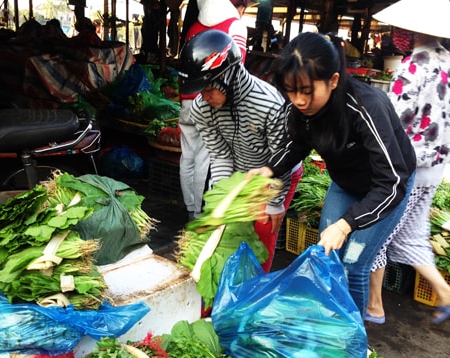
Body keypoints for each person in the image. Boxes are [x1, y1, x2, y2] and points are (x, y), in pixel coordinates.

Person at [248, 32, 417, 316]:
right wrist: (268, 169)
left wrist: (345, 224)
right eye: (291, 90)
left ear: (333, 80)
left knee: (354, 263)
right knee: (326, 256)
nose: (298, 100)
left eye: (306, 90)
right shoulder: (301, 110)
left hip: (385, 188)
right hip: (345, 183)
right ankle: (326, 326)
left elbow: (392, 182)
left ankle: (352, 342)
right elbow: (296, 144)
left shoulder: (366, 106)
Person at [367, 0, 450, 325]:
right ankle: (448, 294)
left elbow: (392, 117)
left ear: (412, 31)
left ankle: (374, 306)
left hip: (408, 167)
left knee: (377, 231)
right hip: (436, 165)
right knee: (412, 234)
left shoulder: (413, 65)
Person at [178, 29, 303, 273]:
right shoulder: (201, 108)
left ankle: (252, 294)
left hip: (276, 170)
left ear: (230, 75)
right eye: (200, 91)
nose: (204, 97)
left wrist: (275, 202)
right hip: (238, 170)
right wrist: (223, 197)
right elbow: (219, 154)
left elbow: (282, 156)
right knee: (226, 230)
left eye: (209, 89)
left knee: (261, 234)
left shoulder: (269, 103)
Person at [178, 0, 248, 222]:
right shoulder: (235, 26)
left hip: (187, 97)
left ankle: (190, 208)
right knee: (207, 158)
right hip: (212, 98)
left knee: (188, 155)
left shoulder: (193, 27)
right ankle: (199, 214)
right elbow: (237, 70)